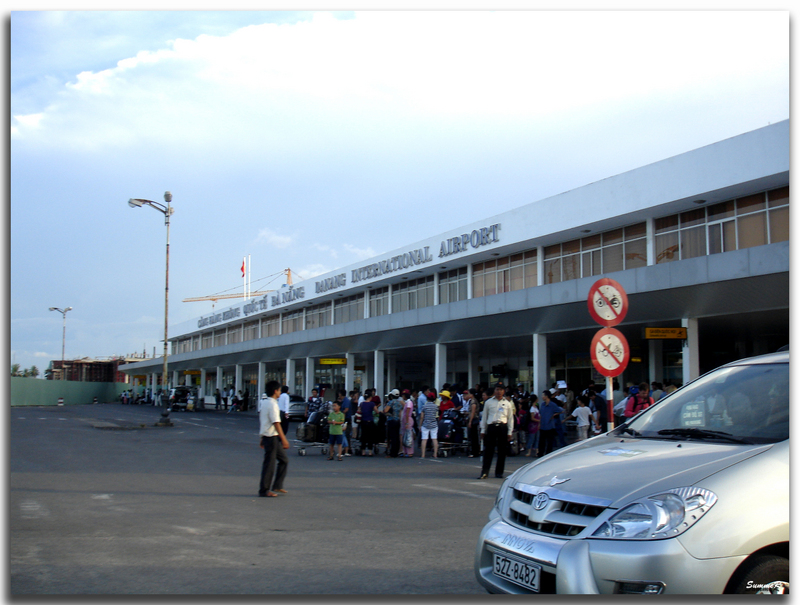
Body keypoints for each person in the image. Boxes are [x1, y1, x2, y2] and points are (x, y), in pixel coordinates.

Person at [258, 381, 290, 498]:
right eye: (280, 390)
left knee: (284, 460)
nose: (280, 393)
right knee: (269, 465)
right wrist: (284, 439)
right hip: (271, 437)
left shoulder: (265, 402)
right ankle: (264, 490)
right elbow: (276, 423)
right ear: (275, 391)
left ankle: (277, 485)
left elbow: (264, 421)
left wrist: (262, 437)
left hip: (270, 436)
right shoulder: (272, 404)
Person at [478, 384, 515, 479]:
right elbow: (485, 417)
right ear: (494, 391)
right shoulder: (488, 402)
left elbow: (510, 419)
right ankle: (484, 472)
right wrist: (483, 429)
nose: (499, 391)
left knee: (502, 451)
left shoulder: (507, 403)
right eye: (497, 389)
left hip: (502, 427)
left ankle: (499, 472)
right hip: (491, 426)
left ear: (504, 391)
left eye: (501, 390)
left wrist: (510, 432)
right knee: (488, 451)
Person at [538, 390, 562, 457]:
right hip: (543, 424)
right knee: (541, 441)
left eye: (543, 395)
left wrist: (554, 415)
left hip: (550, 426)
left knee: (549, 441)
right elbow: (541, 414)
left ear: (546, 396)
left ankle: (548, 453)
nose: (542, 397)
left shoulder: (552, 405)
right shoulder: (542, 404)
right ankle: (540, 453)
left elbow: (561, 410)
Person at [419, 392, 440, 459]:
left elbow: (422, 417)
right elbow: (437, 414)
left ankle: (423, 454)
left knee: (424, 439)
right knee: (434, 439)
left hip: (425, 424)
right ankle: (435, 454)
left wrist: (420, 425)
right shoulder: (435, 406)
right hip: (434, 423)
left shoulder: (424, 406)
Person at [359, 390, 377, 456]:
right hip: (370, 421)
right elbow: (376, 411)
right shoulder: (372, 404)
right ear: (370, 397)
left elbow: (359, 411)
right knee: (370, 437)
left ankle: (363, 451)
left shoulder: (362, 404)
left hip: (363, 421)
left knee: (363, 436)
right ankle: (370, 451)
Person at [466, 388, 482, 458]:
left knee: (474, 437)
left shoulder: (473, 402)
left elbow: (473, 412)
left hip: (474, 419)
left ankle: (474, 452)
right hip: (474, 419)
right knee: (474, 436)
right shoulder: (473, 401)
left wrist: (470, 421)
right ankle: (475, 451)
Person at [400, 390, 415, 458]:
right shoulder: (407, 402)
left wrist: (406, 422)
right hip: (405, 420)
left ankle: (409, 452)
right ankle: (405, 451)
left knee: (408, 436)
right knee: (405, 436)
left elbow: (407, 413)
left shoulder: (409, 403)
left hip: (407, 420)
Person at [339, 389, 353, 456]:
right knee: (344, 434)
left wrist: (340, 413)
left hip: (346, 419)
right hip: (344, 418)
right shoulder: (342, 401)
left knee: (346, 434)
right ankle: (346, 448)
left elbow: (346, 409)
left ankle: (348, 449)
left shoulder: (346, 401)